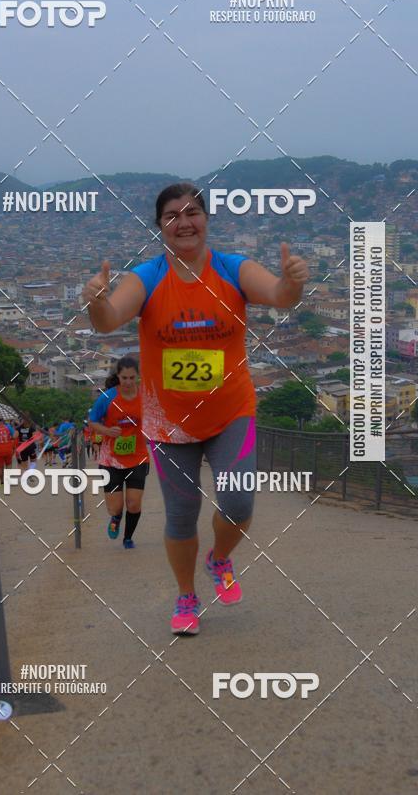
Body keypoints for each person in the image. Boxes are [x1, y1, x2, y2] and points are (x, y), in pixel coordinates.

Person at [83, 181, 308, 634]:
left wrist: (291, 281)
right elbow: (108, 321)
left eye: (192, 213)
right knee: (182, 515)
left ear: (205, 220)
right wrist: (95, 302)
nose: (183, 222)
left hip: (231, 412)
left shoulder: (232, 268)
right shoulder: (147, 276)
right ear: (160, 226)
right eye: (172, 215)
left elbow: (280, 296)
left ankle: (219, 558)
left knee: (239, 501)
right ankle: (186, 596)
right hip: (170, 425)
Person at [88, 357, 149, 550]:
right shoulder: (107, 397)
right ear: (118, 377)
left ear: (138, 376)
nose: (129, 382)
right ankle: (115, 518)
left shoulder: (145, 396)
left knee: (133, 504)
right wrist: (106, 431)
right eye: (124, 378)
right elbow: (92, 421)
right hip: (110, 459)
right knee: (115, 507)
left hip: (138, 456)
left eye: (132, 378)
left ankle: (128, 537)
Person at [0, 419, 16, 485]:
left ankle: (2, 482)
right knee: (9, 465)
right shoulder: (8, 427)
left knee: (0, 467)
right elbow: (14, 436)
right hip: (8, 449)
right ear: (3, 421)